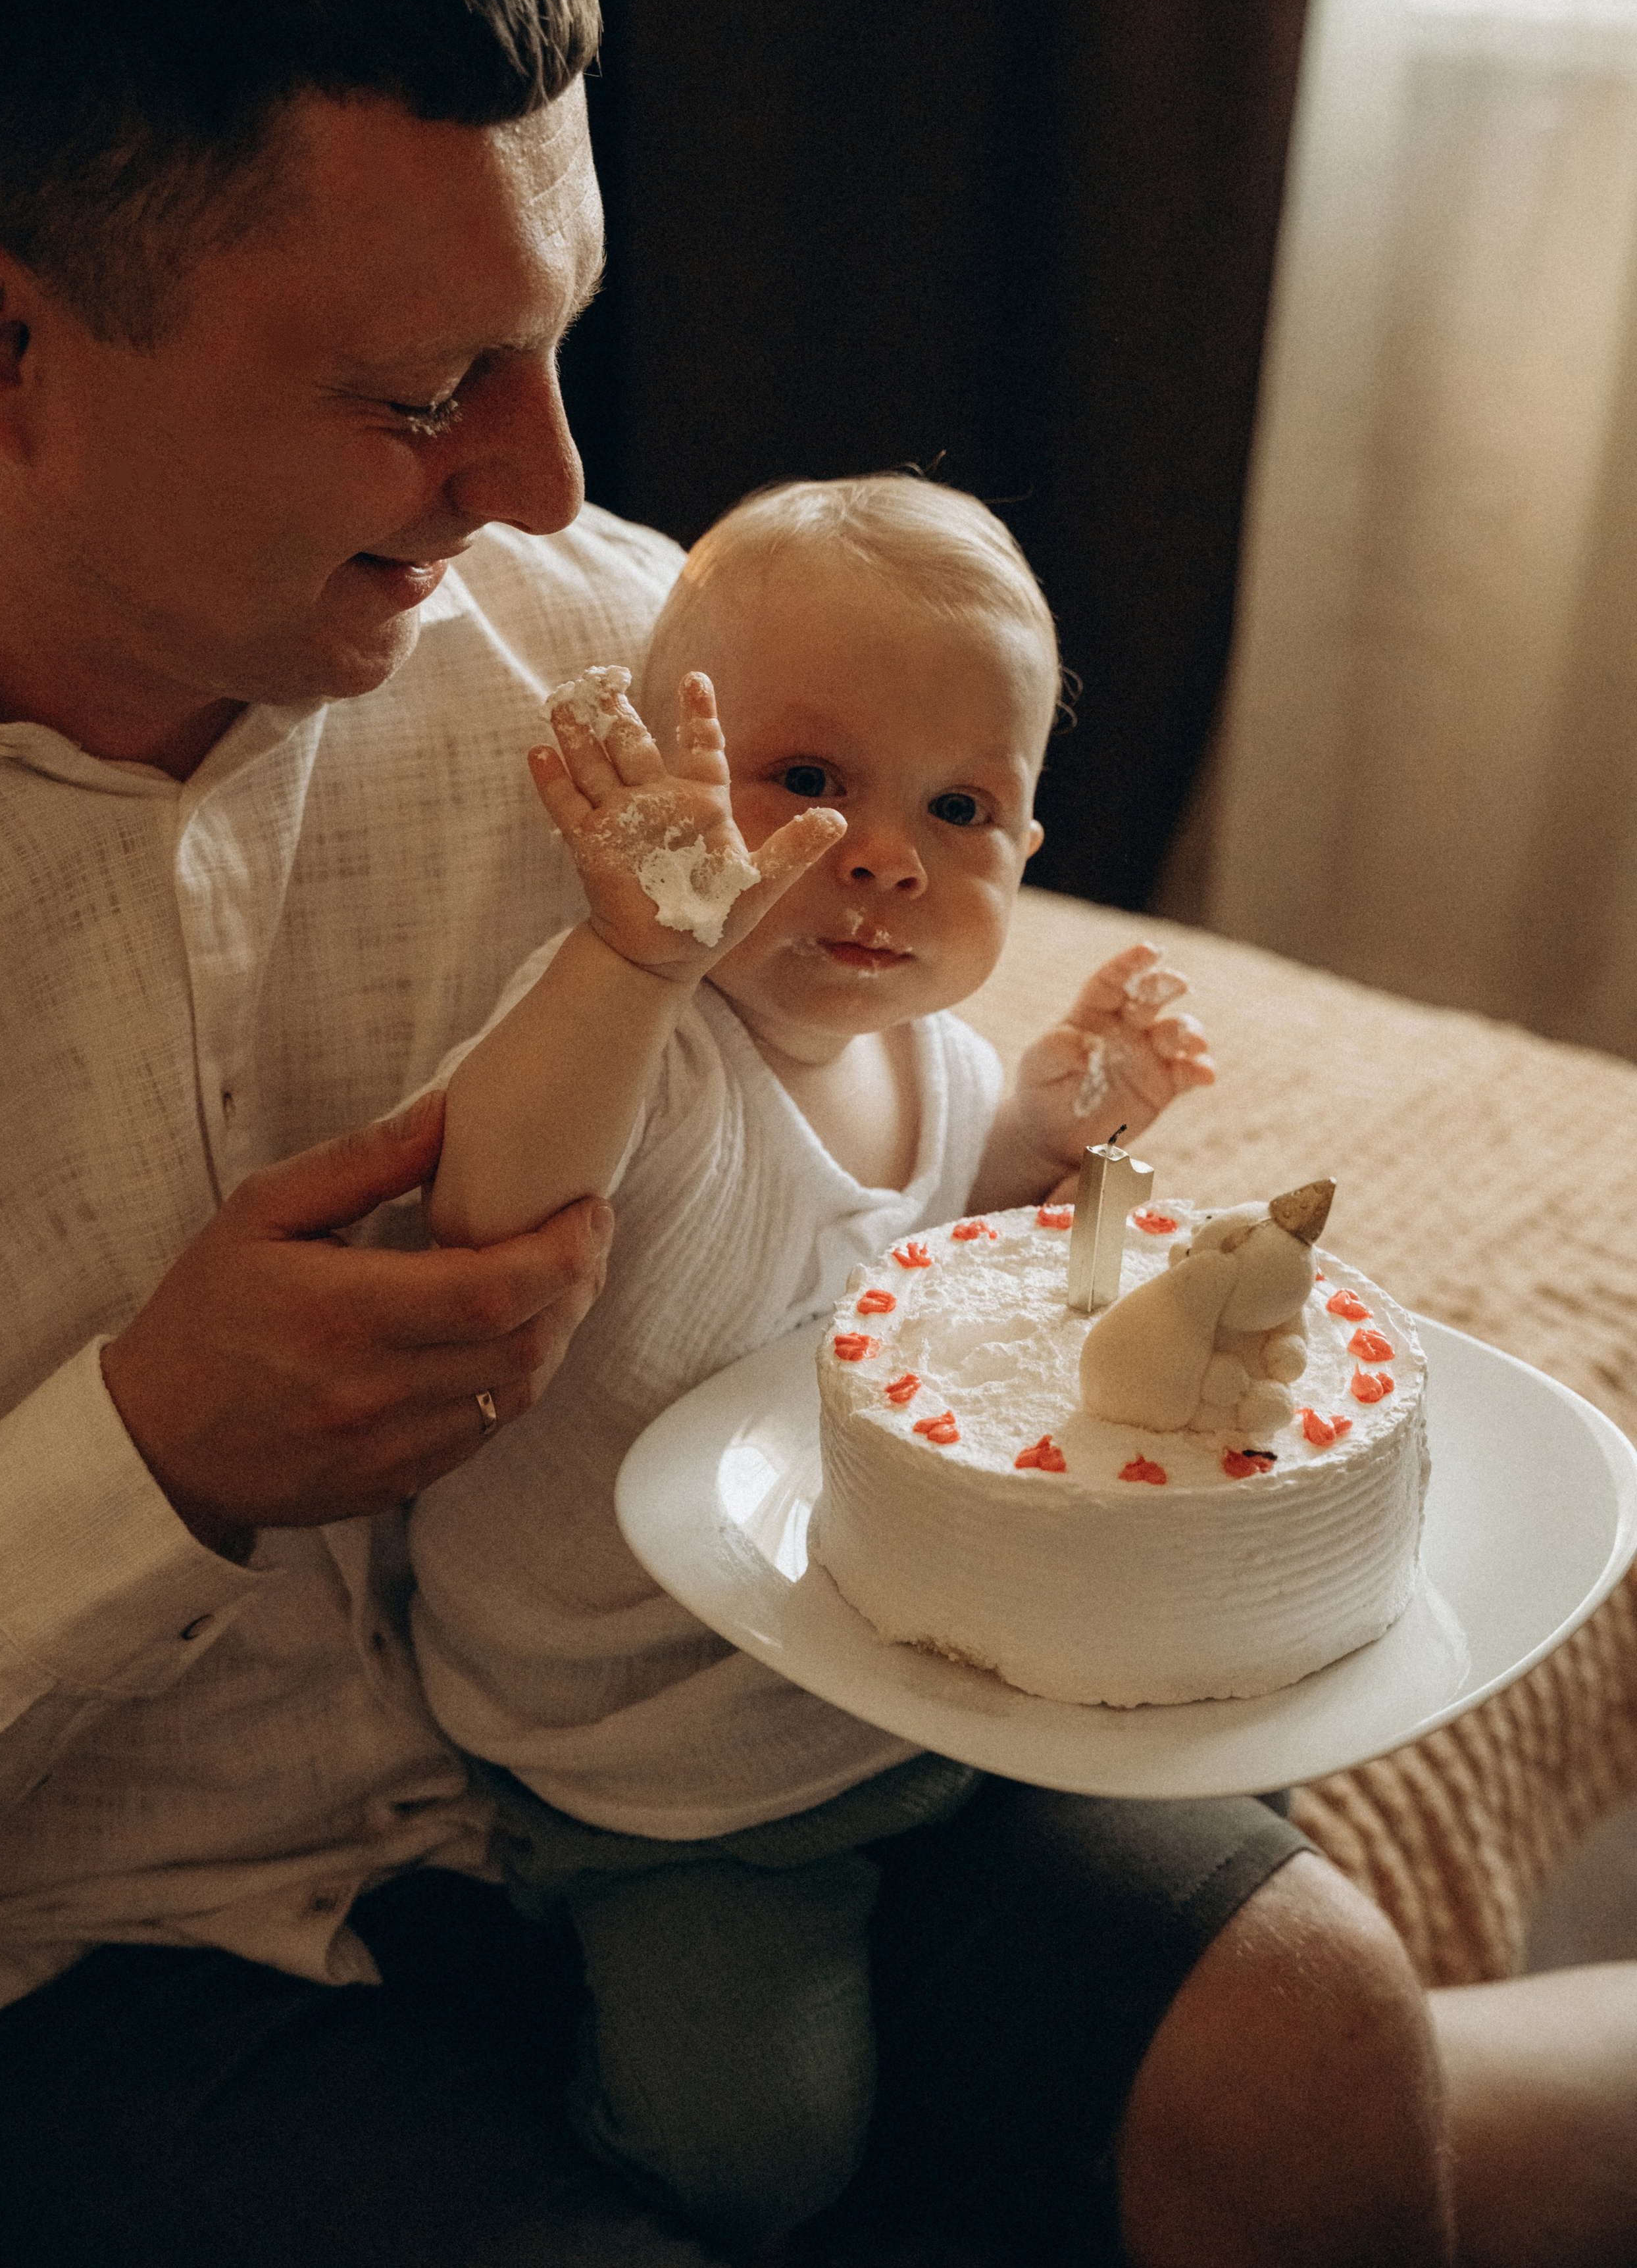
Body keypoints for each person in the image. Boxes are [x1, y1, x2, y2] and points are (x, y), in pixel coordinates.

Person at [0, 0, 1625, 2266]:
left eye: (556, 344)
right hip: (91, 1938)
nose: (541, 494)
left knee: (1315, 2054)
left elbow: (913, 1021)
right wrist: (147, 1455)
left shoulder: (622, 668)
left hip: (746, 1734)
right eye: (419, 394)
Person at [407, 472, 1217, 2252]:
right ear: (673, 783)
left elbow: (935, 1250)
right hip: (658, 1783)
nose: (881, 855)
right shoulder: (656, 1053)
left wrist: (1055, 1130)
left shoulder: (934, 1062)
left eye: (960, 807)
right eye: (805, 780)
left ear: (1030, 846)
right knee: (758, 2153)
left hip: (897, 1683)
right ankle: (548, 2043)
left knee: (1230, 1786)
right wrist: (634, 948)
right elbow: (501, 1199)